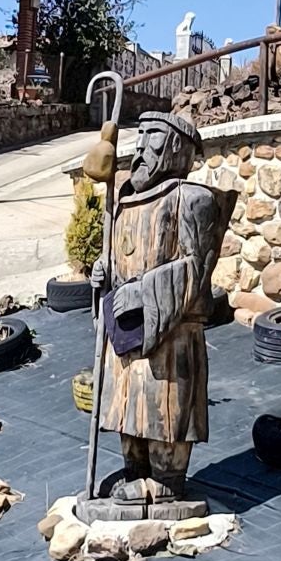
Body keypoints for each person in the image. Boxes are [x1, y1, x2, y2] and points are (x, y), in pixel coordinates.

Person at [90, 110, 227, 504]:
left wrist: (140, 292)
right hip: (125, 330)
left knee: (162, 407)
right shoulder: (122, 202)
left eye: (153, 136)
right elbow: (121, 257)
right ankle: (136, 471)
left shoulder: (192, 200)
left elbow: (196, 268)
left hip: (170, 334)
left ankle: (167, 481)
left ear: (176, 148)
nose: (141, 147)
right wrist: (104, 272)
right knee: (126, 406)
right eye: (140, 134)